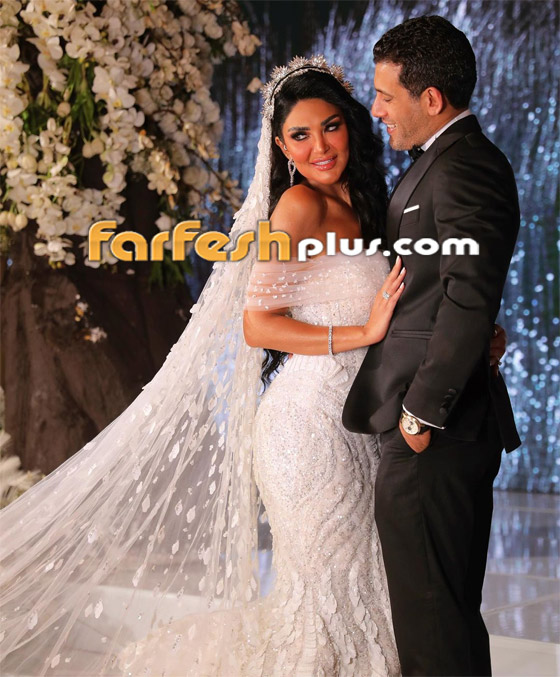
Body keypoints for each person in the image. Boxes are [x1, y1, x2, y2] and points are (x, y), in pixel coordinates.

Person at [0, 56, 506, 676]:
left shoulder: (372, 201)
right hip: (308, 430)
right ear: (282, 147)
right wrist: (364, 331)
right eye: (301, 135)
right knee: (327, 594)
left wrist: (473, 335)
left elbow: (418, 297)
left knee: (371, 588)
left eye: (331, 127)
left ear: (350, 125)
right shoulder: (297, 207)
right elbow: (259, 324)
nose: (321, 146)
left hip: (363, 421)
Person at [343, 16, 521, 677]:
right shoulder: (445, 162)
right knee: (440, 616)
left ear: (432, 99)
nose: (376, 109)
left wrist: (421, 413)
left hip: (435, 429)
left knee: (432, 622)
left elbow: (468, 298)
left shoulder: (465, 166)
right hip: (437, 424)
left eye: (386, 95)